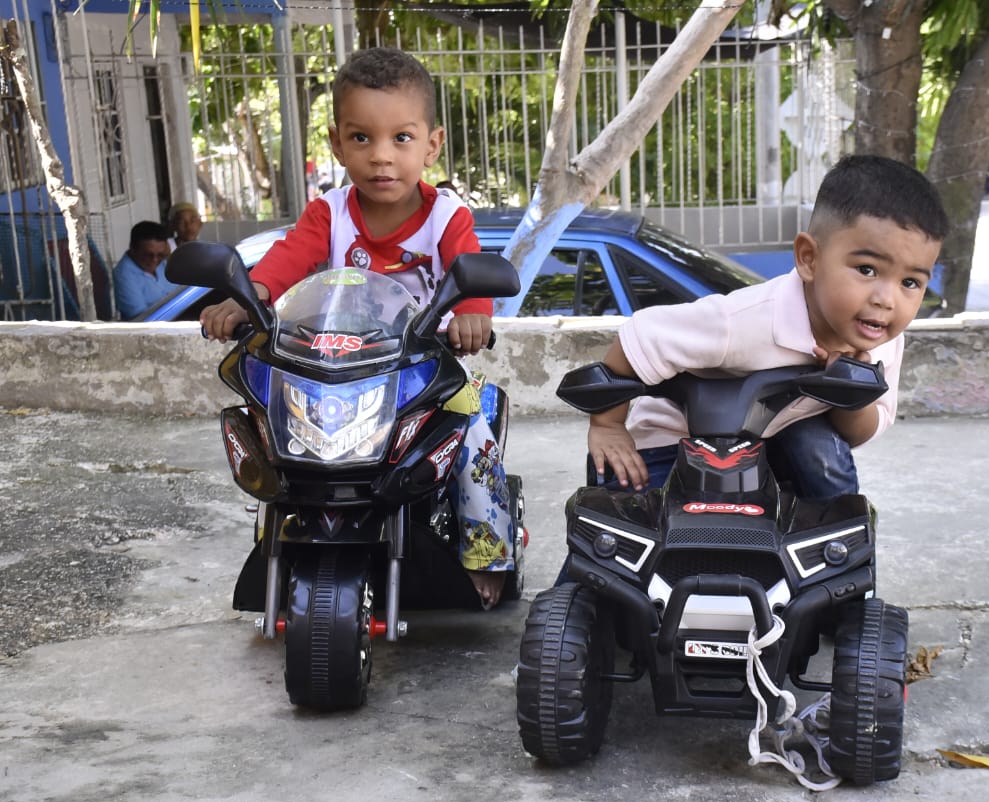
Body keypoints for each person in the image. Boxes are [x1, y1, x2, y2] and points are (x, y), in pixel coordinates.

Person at [199, 46, 514, 609]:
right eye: (362, 138)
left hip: (423, 373)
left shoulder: (448, 217)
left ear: (432, 144)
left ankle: (487, 550)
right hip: (337, 371)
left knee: (473, 441)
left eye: (402, 138)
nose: (381, 157)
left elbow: (474, 274)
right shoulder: (330, 213)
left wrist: (472, 316)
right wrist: (248, 299)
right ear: (337, 143)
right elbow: (284, 263)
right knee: (275, 432)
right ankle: (279, 537)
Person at [585, 154, 949, 499]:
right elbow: (642, 336)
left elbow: (862, 431)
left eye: (911, 283)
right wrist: (608, 425)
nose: (887, 300)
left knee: (818, 446)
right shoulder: (742, 321)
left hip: (774, 443)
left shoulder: (879, 337)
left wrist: (849, 388)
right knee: (643, 531)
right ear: (809, 259)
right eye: (867, 270)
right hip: (679, 443)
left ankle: (836, 545)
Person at [113, 220, 180, 320]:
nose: (155, 260)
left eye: (160, 255)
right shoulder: (123, 275)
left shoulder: (162, 262)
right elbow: (141, 319)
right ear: (132, 248)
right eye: (148, 255)